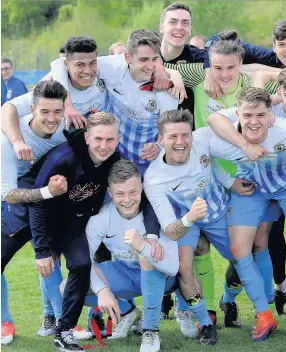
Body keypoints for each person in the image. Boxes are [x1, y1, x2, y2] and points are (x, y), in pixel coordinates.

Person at [206, 87, 286, 342]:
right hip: (252, 191)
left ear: (271, 116)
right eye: (247, 115)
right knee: (240, 249)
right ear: (237, 114)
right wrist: (229, 182)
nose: (254, 122)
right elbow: (206, 153)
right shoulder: (223, 138)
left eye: (260, 115)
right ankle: (265, 315)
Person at [8, 112, 122, 352]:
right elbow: (38, 202)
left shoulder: (114, 161)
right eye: (99, 139)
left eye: (110, 140)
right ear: (88, 137)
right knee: (40, 264)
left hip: (73, 222)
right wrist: (41, 249)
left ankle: (64, 330)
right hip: (36, 215)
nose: (104, 146)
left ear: (118, 139)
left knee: (81, 264)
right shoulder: (64, 158)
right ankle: (29, 318)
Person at [144, 109, 245, 345]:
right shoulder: (154, 179)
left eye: (185, 135)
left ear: (192, 134)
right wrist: (190, 217)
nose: (180, 142)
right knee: (184, 267)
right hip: (185, 222)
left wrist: (273, 103)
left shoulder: (202, 138)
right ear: (161, 140)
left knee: (244, 261)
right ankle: (206, 324)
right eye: (172, 137)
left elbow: (242, 114)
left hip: (219, 212)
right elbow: (170, 229)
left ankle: (228, 299)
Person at [50, 29, 182, 174]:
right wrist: (67, 105)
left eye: (155, 59)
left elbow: (170, 130)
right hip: (111, 155)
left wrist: (158, 145)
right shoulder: (113, 67)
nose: (150, 66)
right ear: (127, 57)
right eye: (143, 60)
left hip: (147, 161)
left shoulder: (167, 92)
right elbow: (59, 64)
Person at [83, 159, 178, 352]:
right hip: (125, 275)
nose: (127, 199)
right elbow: (85, 261)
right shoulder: (100, 219)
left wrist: (144, 247)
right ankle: (128, 311)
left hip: (164, 279)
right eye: (119, 193)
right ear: (110, 193)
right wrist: (102, 290)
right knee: (68, 287)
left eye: (133, 192)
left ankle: (151, 331)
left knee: (146, 258)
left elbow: (173, 267)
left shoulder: (158, 212)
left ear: (142, 187)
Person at [1, 81, 69, 346]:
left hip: (45, 195)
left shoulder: (66, 129)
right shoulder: (8, 142)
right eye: (45, 112)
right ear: (32, 109)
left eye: (57, 111)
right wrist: (47, 193)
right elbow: (9, 194)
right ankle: (4, 322)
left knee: (49, 254)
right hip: (12, 197)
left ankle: (64, 322)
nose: (51, 118)